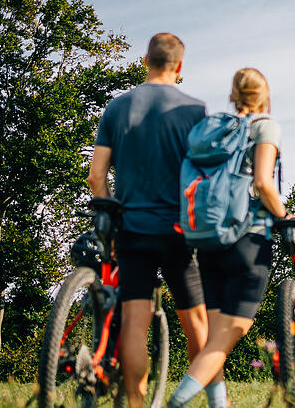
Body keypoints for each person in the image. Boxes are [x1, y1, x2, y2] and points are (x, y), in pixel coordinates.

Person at [87, 33, 209, 408]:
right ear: (180, 65)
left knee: (134, 327)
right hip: (177, 231)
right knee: (198, 327)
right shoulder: (194, 111)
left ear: (145, 60)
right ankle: (206, 398)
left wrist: (109, 213)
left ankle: (136, 404)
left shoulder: (118, 108)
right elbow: (204, 179)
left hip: (131, 230)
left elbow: (96, 176)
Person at [168, 68, 287, 407]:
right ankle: (173, 404)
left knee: (213, 342)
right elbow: (263, 182)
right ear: (263, 94)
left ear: (234, 95)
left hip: (208, 241)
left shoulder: (216, 131)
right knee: (223, 341)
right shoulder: (265, 126)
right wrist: (285, 216)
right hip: (248, 240)